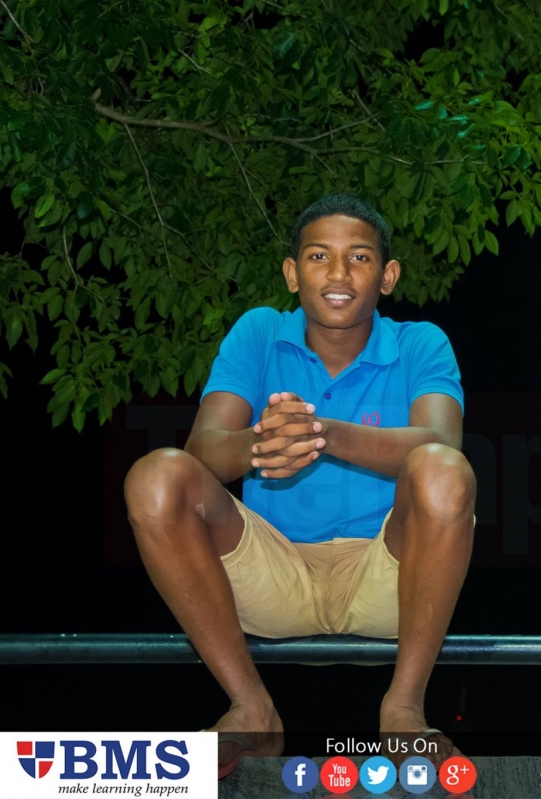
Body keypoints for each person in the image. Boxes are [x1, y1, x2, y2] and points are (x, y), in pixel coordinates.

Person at [123, 194, 475, 778]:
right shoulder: (259, 331)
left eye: (359, 257)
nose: (338, 273)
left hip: (388, 579)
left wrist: (321, 434)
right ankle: (249, 708)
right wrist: (260, 444)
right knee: (156, 476)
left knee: (442, 468)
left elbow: (444, 441)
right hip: (273, 575)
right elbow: (202, 449)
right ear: (291, 272)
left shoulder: (421, 342)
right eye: (318, 256)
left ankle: (404, 712)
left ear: (387, 276)